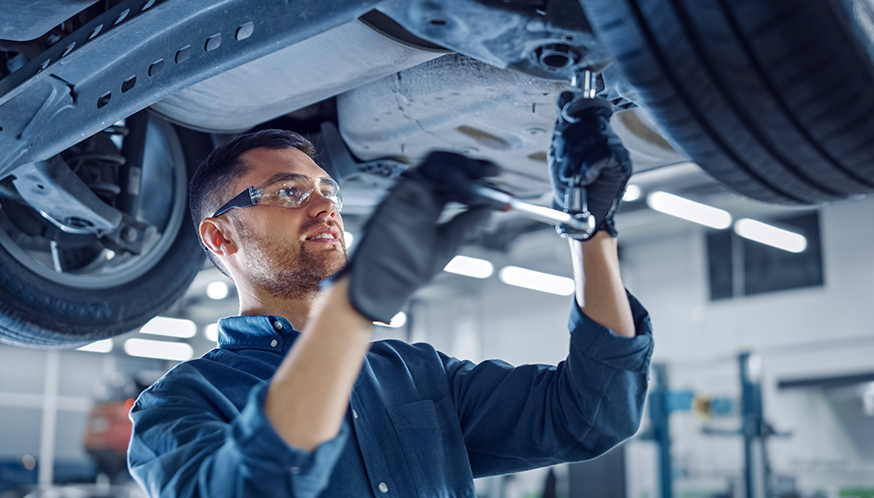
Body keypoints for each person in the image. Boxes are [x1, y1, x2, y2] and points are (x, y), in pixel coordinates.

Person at [127, 92, 654, 497]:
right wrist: (352, 309)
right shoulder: (177, 405)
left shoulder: (417, 374)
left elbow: (591, 415)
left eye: (328, 191)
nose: (325, 206)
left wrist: (593, 231)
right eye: (290, 192)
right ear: (219, 236)